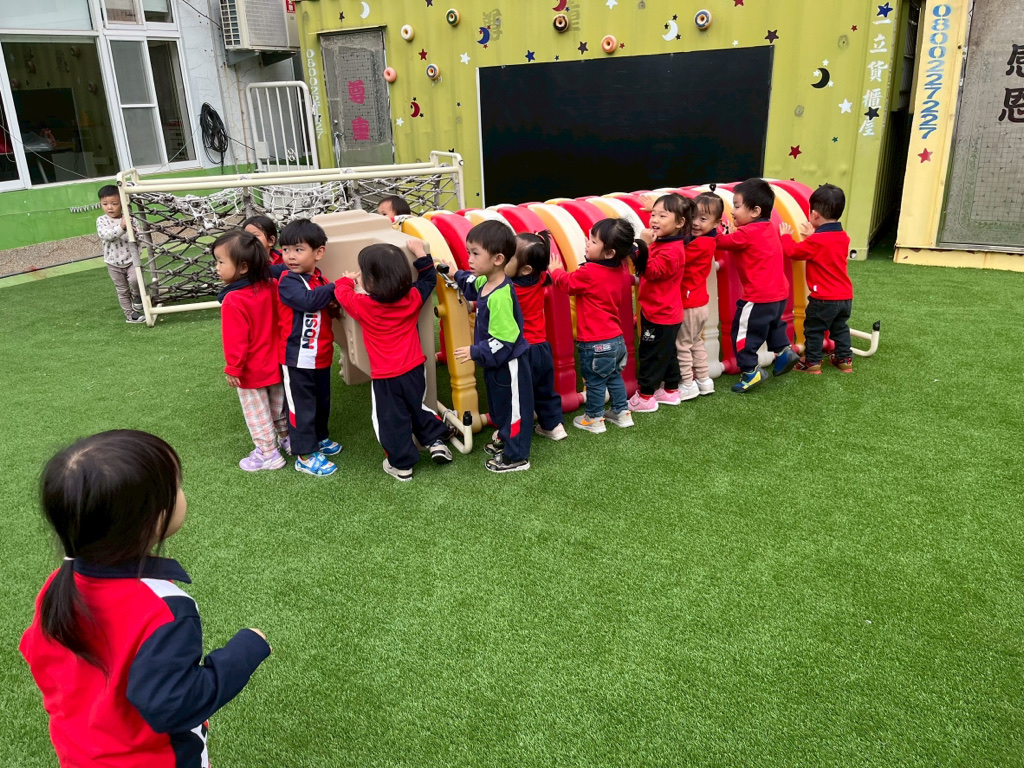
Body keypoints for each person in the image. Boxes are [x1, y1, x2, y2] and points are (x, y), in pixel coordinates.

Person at [19, 430, 271, 767]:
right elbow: (174, 704)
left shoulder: (58, 583)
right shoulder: (165, 608)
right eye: (176, 487)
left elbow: (39, 655)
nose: (182, 493)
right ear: (152, 518)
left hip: (78, 753)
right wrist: (245, 651)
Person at [334, 239, 455, 481]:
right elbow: (428, 279)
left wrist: (346, 279)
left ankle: (401, 465)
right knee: (417, 406)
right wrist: (421, 254)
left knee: (391, 420)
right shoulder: (411, 298)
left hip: (386, 377)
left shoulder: (363, 305)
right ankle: (435, 441)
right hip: (414, 369)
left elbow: (341, 294)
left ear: (370, 283)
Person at [453, 220, 534, 473]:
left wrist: (475, 351)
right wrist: (453, 273)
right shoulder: (486, 282)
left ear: (498, 259)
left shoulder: (500, 296)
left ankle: (517, 456)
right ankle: (506, 438)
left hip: (509, 363)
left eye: (475, 253)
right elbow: (470, 284)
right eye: (468, 252)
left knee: (514, 410)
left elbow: (505, 340)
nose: (470, 259)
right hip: (495, 363)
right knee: (500, 406)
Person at [548, 218, 637, 433]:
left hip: (595, 342)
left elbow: (567, 283)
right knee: (614, 376)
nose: (587, 243)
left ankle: (594, 418)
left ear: (610, 253)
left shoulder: (589, 273)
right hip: (616, 339)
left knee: (595, 381)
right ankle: (622, 412)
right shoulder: (622, 268)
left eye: (594, 241)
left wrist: (556, 270)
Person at [214, 230, 290, 471]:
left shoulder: (233, 299)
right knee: (279, 406)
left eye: (221, 262)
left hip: (251, 369)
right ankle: (287, 439)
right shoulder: (272, 285)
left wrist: (233, 368)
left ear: (244, 267)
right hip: (277, 361)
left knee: (256, 412)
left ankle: (268, 453)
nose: (216, 268)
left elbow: (236, 339)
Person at [716, 178, 800, 393]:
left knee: (742, 333)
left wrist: (714, 230)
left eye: (736, 206)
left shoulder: (746, 233)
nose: (732, 211)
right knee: (772, 325)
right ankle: (784, 352)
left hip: (758, 296)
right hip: (779, 294)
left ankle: (750, 372)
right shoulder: (768, 227)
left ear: (755, 211)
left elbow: (721, 243)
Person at [277, 218, 342, 476]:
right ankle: (304, 454)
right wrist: (338, 287)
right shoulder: (288, 281)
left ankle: (320, 438)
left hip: (321, 355)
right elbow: (308, 301)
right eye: (285, 250)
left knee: (321, 402)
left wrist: (334, 305)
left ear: (319, 252)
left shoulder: (319, 279)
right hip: (296, 358)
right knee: (301, 407)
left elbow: (323, 305)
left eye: (298, 249)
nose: (290, 256)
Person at [780, 183, 854, 373]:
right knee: (840, 328)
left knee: (814, 329)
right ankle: (844, 359)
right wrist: (813, 235)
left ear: (814, 215)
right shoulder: (843, 237)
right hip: (845, 296)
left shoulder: (816, 241)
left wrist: (785, 236)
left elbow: (793, 252)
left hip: (823, 298)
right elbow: (826, 250)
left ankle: (812, 362)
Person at [504, 231, 567, 445]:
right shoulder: (540, 278)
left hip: (522, 350)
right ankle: (553, 426)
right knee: (544, 390)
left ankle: (513, 432)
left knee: (519, 393)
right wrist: (555, 269)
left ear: (525, 269)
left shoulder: (509, 288)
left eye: (508, 258)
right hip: (541, 348)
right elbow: (548, 274)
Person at [630, 194, 692, 412]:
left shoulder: (671, 251)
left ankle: (645, 396)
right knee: (667, 352)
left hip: (660, 314)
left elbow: (651, 271)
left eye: (662, 216)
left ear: (680, 223)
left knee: (651, 354)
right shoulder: (668, 241)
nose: (654, 220)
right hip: (665, 312)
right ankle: (671, 390)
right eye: (653, 215)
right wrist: (657, 210)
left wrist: (641, 246)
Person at [677, 192, 724, 399]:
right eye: (693, 217)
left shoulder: (700, 244)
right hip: (699, 303)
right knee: (695, 342)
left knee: (683, 345)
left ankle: (687, 383)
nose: (695, 223)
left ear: (716, 223)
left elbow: (678, 256)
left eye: (703, 219)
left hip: (689, 304)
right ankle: (704, 380)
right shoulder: (708, 239)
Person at [96, 185, 144, 324]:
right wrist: (122, 227)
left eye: (114, 203)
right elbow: (107, 236)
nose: (110, 207)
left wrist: (134, 232)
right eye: (105, 204)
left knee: (136, 280)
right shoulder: (101, 220)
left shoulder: (130, 218)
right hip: (113, 263)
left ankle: (137, 296)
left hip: (131, 259)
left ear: (123, 203)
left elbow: (140, 237)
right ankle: (130, 315)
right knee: (122, 290)